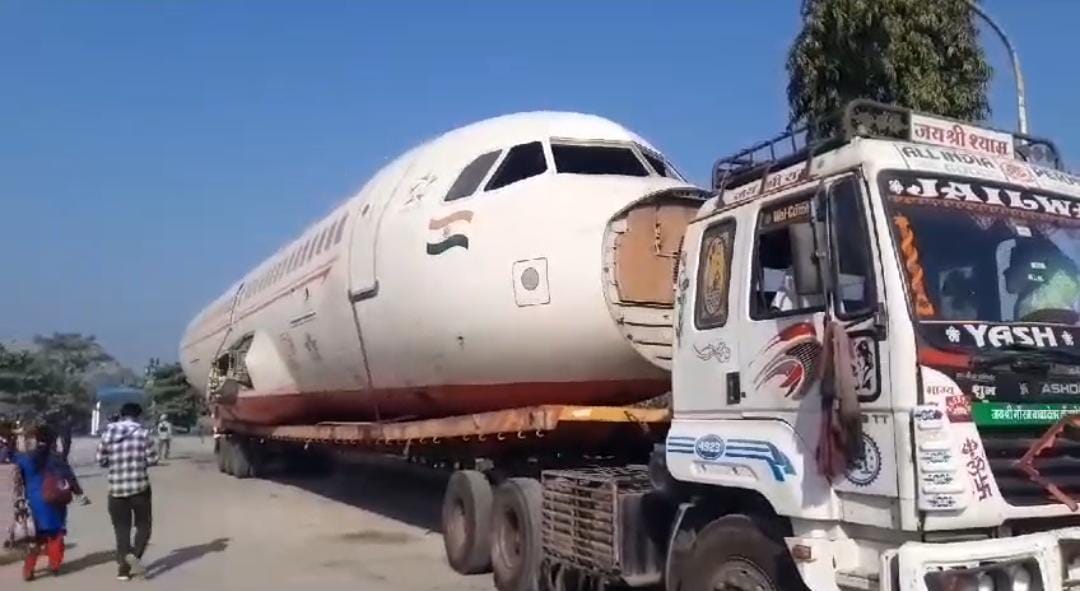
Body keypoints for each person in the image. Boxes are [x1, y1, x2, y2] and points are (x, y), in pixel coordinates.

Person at [14, 424, 88, 581]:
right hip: (56, 499)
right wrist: (79, 493)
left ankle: (29, 569)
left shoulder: (26, 458)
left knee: (35, 537)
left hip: (34, 501)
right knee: (56, 534)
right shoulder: (57, 458)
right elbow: (70, 477)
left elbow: (12, 468)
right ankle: (54, 565)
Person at [97, 403, 157, 581]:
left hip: (116, 489)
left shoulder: (108, 434)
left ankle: (123, 571)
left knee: (121, 530)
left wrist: (114, 463)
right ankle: (135, 555)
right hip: (139, 488)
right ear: (138, 416)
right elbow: (153, 459)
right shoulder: (143, 434)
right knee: (144, 525)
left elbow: (100, 460)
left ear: (122, 415)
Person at [1004, 237, 1080, 323]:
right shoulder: (1071, 263)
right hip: (1068, 324)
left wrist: (1016, 262)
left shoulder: (1034, 256)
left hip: (1035, 318)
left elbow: (1013, 286)